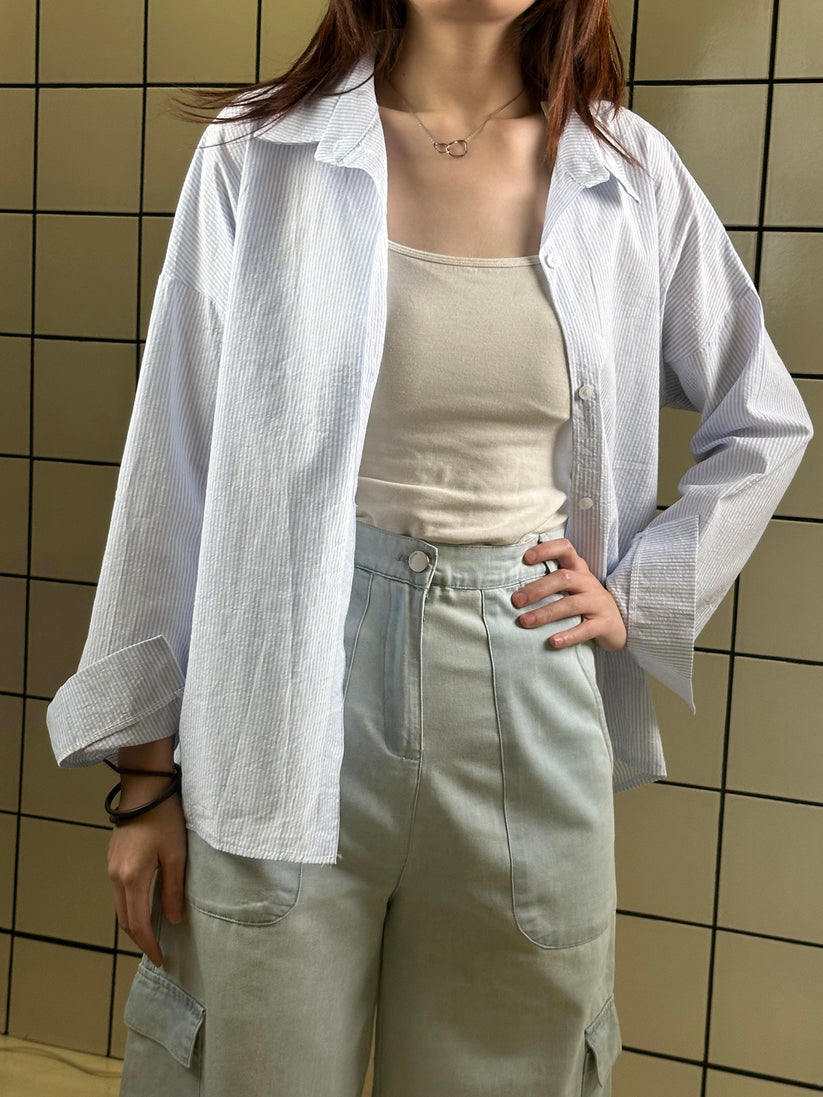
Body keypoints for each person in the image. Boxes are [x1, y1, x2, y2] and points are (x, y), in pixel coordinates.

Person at [46, 2, 813, 1095]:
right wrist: (143, 780)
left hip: (526, 672)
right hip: (280, 690)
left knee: (514, 1064)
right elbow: (173, 463)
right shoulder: (258, 154)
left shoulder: (626, 173)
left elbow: (763, 419)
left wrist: (640, 593)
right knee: (250, 1060)